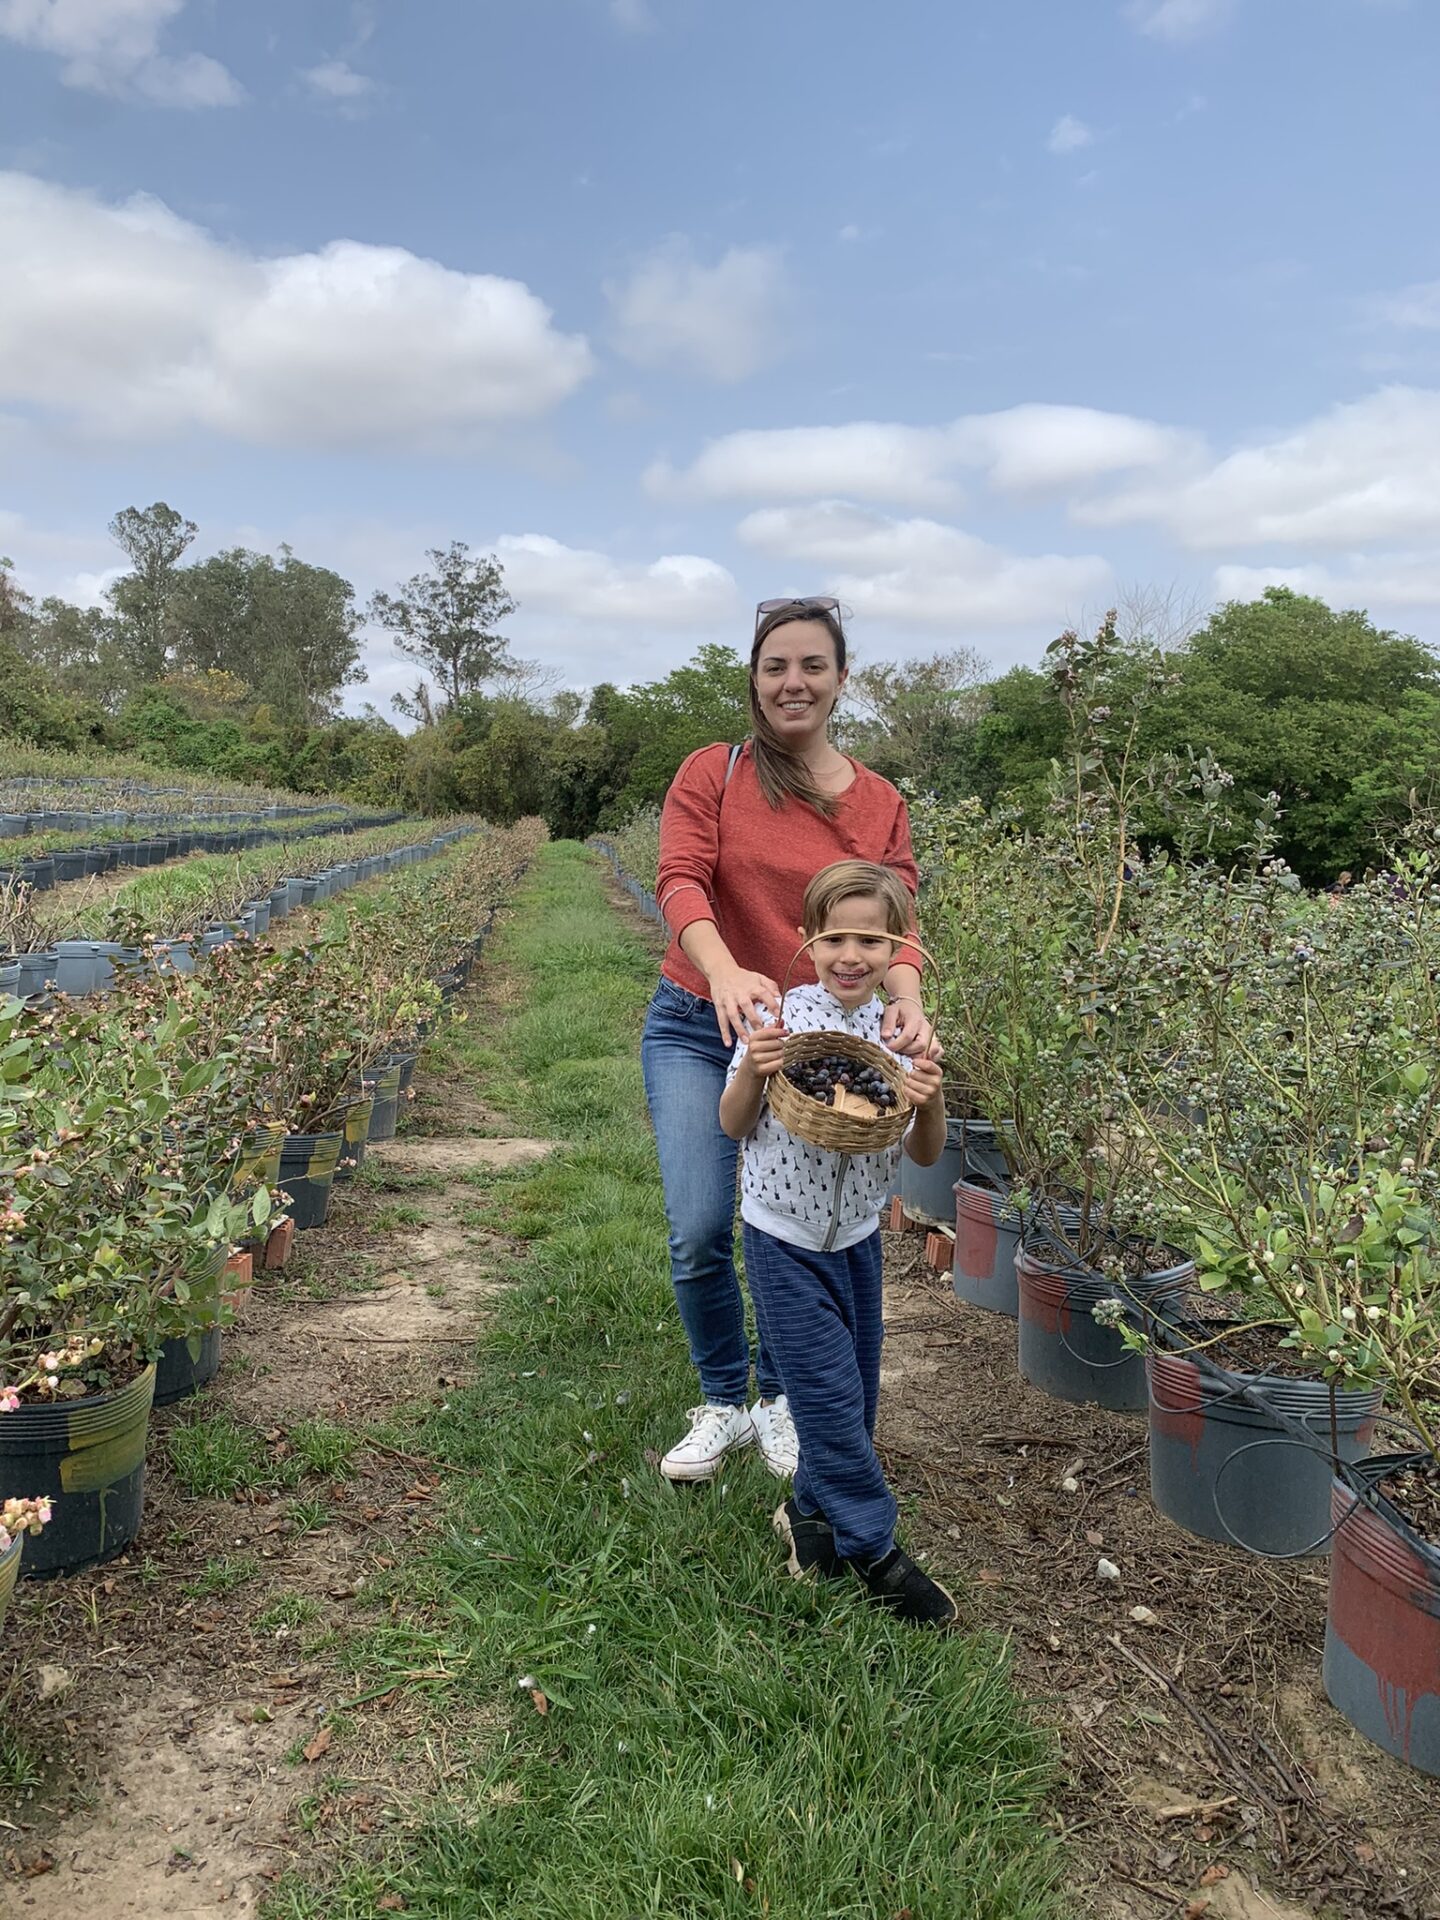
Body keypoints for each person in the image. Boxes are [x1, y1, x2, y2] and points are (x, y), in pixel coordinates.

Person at [641, 596, 932, 1485]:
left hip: (817, 1047)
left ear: (841, 679)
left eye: (812, 665)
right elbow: (679, 876)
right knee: (698, 1224)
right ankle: (723, 1399)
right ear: (755, 679)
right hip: (702, 1022)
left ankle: (780, 1400)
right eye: (775, 666)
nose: (792, 682)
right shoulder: (715, 771)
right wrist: (726, 972)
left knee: (797, 1225)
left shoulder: (878, 801)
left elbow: (900, 920)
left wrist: (908, 1002)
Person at [718, 858, 956, 1626]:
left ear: (897, 951)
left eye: (872, 941)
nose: (853, 956)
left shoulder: (898, 1035)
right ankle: (873, 1545)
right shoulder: (778, 1021)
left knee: (853, 1397)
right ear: (807, 940)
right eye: (836, 938)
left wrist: (931, 1095)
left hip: (856, 1240)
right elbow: (732, 1123)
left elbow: (924, 1154)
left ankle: (809, 1518)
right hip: (781, 1236)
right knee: (823, 1392)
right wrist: (755, 1072)